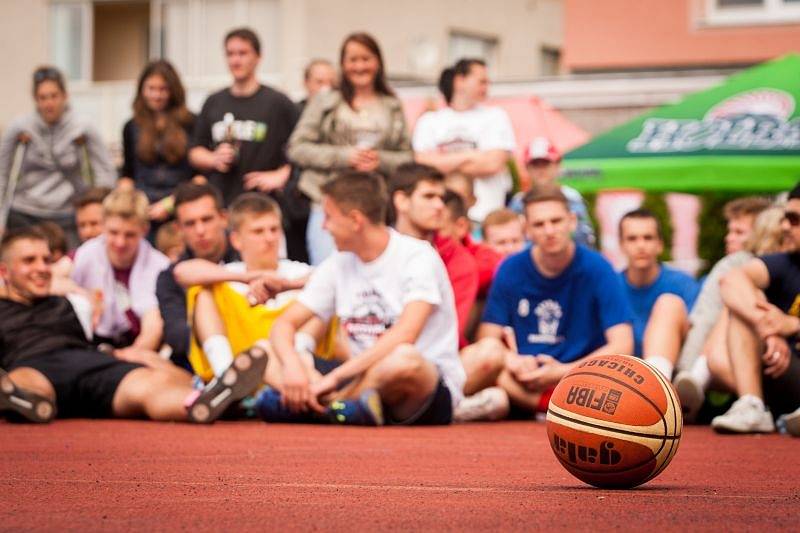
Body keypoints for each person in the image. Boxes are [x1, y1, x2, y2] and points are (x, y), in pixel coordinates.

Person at [256, 171, 465, 426]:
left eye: (329, 217)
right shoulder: (338, 263)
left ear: (355, 220)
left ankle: (314, 407)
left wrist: (331, 380)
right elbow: (283, 325)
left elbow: (405, 334)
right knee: (263, 352)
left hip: (421, 389)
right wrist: (293, 369)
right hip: (358, 379)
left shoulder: (418, 257)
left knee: (403, 359)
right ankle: (334, 407)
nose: (324, 226)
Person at [0, 227, 265, 424]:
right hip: (33, 365)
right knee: (25, 382)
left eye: (46, 260)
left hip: (90, 363)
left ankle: (202, 402)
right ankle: (22, 400)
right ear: (4, 271)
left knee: (150, 384)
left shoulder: (69, 301)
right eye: (29, 261)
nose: (42, 268)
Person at [455, 184, 633, 422]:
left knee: (611, 383)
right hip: (522, 379)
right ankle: (546, 408)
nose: (549, 231)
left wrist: (563, 371)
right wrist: (514, 361)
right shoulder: (510, 269)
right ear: (526, 229)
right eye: (539, 224)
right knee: (488, 361)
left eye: (556, 221)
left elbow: (622, 345)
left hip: (579, 379)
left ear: (572, 221)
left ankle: (543, 407)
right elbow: (488, 337)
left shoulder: (598, 268)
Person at [288, 32, 413, 266]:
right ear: (343, 65)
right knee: (328, 273)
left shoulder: (392, 105)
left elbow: (407, 157)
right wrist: (345, 157)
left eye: (366, 58)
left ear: (377, 62)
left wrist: (380, 160)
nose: (359, 66)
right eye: (353, 60)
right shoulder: (326, 102)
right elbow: (297, 148)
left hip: (376, 208)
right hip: (329, 204)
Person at [173, 193, 313, 382]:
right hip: (240, 368)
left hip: (289, 366)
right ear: (236, 240)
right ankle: (227, 378)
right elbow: (182, 271)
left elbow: (333, 277)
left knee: (320, 293)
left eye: (274, 229)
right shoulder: (228, 274)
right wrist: (249, 277)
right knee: (203, 290)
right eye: (258, 231)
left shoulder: (298, 271)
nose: (269, 238)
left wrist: (284, 285)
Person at [673, 205, 789, 422]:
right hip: (741, 365)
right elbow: (705, 320)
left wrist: (784, 326)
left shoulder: (765, 267)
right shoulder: (739, 268)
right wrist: (770, 327)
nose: (729, 238)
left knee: (733, 306)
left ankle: (697, 380)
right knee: (730, 305)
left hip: (769, 370)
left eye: (739, 232)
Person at [712, 188, 800, 434]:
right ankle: (752, 405)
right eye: (785, 217)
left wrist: (792, 325)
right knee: (744, 304)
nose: (784, 226)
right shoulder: (788, 261)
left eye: (794, 219)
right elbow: (731, 279)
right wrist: (767, 328)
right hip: (784, 371)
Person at [0, 66, 115, 247]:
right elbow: (2, 173)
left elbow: (105, 171)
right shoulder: (20, 126)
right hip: (24, 211)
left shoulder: (83, 126)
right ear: (35, 99)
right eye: (42, 98)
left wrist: (101, 212)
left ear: (65, 96)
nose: (49, 103)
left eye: (54, 96)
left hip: (66, 212)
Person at [189, 28, 298, 210]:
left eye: (242, 53)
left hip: (263, 206)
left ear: (258, 57)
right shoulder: (214, 101)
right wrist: (213, 158)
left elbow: (303, 149)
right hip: (222, 205)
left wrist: (282, 174)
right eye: (230, 54)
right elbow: (194, 151)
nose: (235, 60)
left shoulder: (278, 102)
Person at [413, 58, 516, 223]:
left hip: (486, 218)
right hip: (442, 218)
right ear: (460, 80)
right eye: (482, 81)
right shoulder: (429, 120)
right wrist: (473, 156)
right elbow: (423, 166)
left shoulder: (496, 116)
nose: (486, 88)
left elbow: (493, 164)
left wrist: (443, 161)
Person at [390, 163, 478, 348]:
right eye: (429, 196)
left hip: (430, 362)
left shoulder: (459, 261)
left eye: (441, 198)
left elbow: (448, 335)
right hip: (372, 351)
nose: (439, 206)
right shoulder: (376, 248)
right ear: (401, 201)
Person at [71, 188, 170, 350]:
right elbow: (54, 280)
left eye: (130, 235)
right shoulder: (86, 254)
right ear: (103, 225)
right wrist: (83, 295)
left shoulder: (160, 265)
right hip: (92, 343)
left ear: (144, 230)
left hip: (140, 348)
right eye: (113, 232)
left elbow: (153, 326)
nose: (120, 243)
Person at [156, 182, 239, 370]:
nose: (200, 231)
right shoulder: (169, 278)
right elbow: (176, 334)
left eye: (206, 219)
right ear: (179, 229)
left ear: (224, 218)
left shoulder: (248, 255)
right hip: (201, 368)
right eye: (190, 223)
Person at [617, 208, 699, 378]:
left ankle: (658, 387)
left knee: (668, 303)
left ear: (660, 244)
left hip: (675, 372)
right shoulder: (610, 286)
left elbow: (697, 338)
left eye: (648, 237)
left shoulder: (683, 284)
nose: (641, 245)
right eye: (632, 239)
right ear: (622, 245)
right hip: (621, 376)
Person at [119, 60, 196, 240]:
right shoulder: (131, 126)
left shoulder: (191, 123)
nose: (156, 95)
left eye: (163, 89)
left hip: (179, 205)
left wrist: (171, 204)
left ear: (173, 91)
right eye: (151, 88)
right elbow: (127, 174)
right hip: (142, 210)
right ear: (142, 90)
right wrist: (131, 204)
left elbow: (199, 177)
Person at [520, 137, 595, 247]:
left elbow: (585, 237)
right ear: (527, 168)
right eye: (535, 164)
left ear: (557, 165)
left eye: (545, 164)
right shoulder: (518, 201)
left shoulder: (572, 197)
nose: (541, 170)